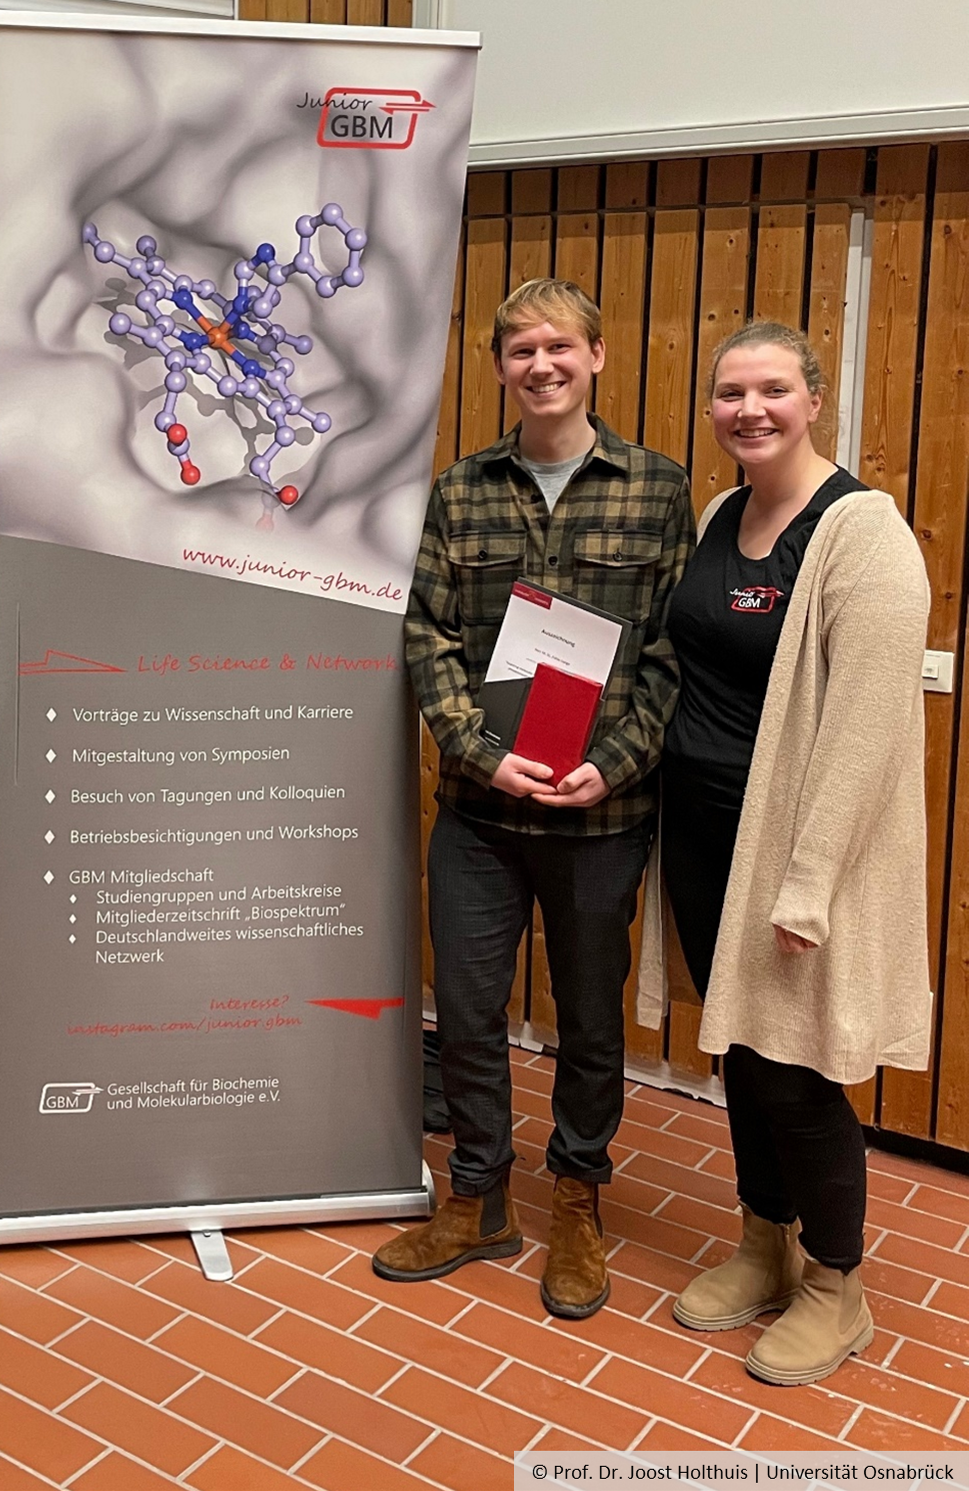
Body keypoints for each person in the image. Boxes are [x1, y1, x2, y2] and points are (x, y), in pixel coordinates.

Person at [374, 278, 696, 1319]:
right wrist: (477, 749)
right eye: (520, 351)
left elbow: (668, 653)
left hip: (601, 818)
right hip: (478, 813)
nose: (541, 366)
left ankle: (576, 1204)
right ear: (500, 367)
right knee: (465, 1015)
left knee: (589, 1021)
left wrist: (617, 761)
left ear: (596, 356)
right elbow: (425, 635)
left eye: (560, 347)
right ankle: (479, 1199)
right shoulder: (461, 490)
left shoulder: (656, 488)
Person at [648, 321, 931, 1386]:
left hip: (795, 856)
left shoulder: (863, 538)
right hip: (706, 837)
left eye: (771, 389)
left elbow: (864, 736)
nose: (748, 410)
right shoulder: (723, 513)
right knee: (741, 1057)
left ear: (814, 399)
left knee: (798, 1070)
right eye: (729, 392)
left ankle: (834, 1285)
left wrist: (806, 886)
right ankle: (762, 1241)